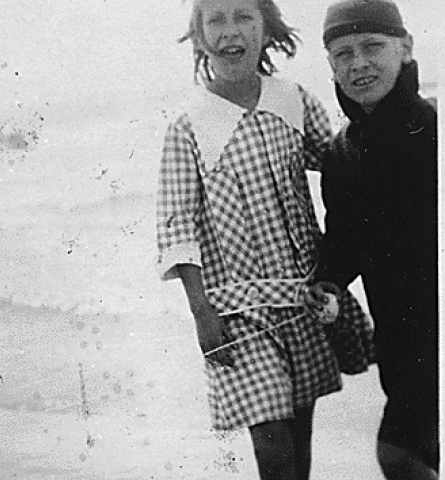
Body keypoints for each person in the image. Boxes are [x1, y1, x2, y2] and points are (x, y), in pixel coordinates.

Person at [156, 0, 373, 478]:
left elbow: (344, 167)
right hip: (236, 311)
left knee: (300, 428)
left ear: (265, 28)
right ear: (199, 36)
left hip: (301, 296)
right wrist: (200, 312)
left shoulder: (291, 100)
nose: (230, 30)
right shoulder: (189, 126)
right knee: (270, 436)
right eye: (216, 19)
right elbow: (176, 224)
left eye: (243, 16)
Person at [307, 0, 439, 478]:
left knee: (399, 454)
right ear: (331, 66)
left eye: (372, 47)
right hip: (400, 343)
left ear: (405, 48)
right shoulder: (341, 154)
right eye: (343, 54)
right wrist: (327, 281)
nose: (358, 63)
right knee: (401, 457)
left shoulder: (435, 131)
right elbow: (345, 240)